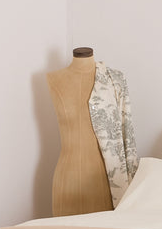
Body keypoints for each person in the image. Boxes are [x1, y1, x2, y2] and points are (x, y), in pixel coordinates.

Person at [47, 48, 114, 217]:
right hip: (66, 179)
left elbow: (126, 135)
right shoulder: (54, 79)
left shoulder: (114, 80)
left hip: (102, 181)